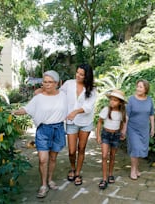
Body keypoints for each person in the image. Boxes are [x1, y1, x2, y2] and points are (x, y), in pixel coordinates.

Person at [12, 70, 67, 198]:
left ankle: (50, 180)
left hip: (58, 129)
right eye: (44, 82)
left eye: (50, 82)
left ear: (56, 83)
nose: (46, 85)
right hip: (43, 130)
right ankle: (43, 185)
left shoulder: (63, 95)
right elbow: (26, 109)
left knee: (53, 158)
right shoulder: (39, 98)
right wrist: (13, 112)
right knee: (43, 160)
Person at [60, 64, 96, 186]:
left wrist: (75, 112)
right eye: (77, 73)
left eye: (81, 74)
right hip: (71, 123)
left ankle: (78, 173)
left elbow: (88, 107)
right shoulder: (68, 84)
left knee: (81, 148)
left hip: (85, 122)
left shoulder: (92, 89)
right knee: (71, 151)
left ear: (87, 76)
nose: (78, 76)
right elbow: (59, 96)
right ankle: (72, 167)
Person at [96, 89, 127, 190]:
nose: (112, 102)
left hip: (116, 135)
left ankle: (110, 174)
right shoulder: (106, 109)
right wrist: (98, 135)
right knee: (104, 156)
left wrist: (122, 132)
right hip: (106, 134)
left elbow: (122, 123)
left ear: (120, 102)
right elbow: (100, 122)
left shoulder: (122, 113)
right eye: (111, 100)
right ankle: (104, 179)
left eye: (115, 100)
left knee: (112, 156)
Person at [124, 79, 155, 180]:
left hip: (144, 129)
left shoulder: (149, 100)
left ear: (146, 89)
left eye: (141, 87)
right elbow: (127, 116)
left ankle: (136, 168)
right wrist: (124, 129)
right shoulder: (131, 100)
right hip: (132, 129)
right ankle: (133, 170)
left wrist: (153, 128)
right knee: (135, 149)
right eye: (137, 86)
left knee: (140, 150)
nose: (138, 88)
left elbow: (151, 114)